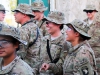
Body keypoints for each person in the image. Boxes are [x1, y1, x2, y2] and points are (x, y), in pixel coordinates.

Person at [13, 3, 41, 74]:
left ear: (24, 14)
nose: (14, 15)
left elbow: (20, 53)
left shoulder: (24, 30)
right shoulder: (35, 26)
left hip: (27, 68)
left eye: (17, 12)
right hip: (36, 67)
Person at [83, 4, 100, 74]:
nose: (88, 13)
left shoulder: (99, 23)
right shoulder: (83, 23)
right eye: (87, 11)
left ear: (94, 11)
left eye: (90, 11)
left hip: (97, 52)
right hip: (86, 51)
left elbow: (97, 38)